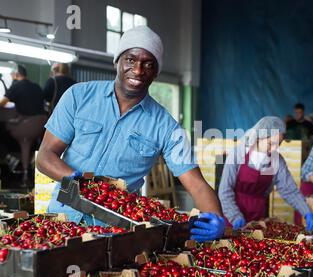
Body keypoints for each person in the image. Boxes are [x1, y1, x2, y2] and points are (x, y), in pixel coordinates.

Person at [36, 26, 225, 242]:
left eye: (148, 64)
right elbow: (45, 156)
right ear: (117, 61)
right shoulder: (79, 97)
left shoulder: (167, 127)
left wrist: (217, 219)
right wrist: (75, 181)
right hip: (61, 221)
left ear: (156, 72)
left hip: (114, 233)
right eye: (130, 60)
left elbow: (197, 184)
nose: (137, 70)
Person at [218, 116, 313, 233]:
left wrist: (306, 211)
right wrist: (234, 216)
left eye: (279, 144)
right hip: (232, 215)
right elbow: (225, 190)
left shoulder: (276, 160)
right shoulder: (238, 154)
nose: (274, 149)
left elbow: (289, 190)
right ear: (259, 137)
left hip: (258, 217)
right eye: (271, 143)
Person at [0, 65, 48, 185]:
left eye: (12, 75)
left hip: (26, 126)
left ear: (16, 74)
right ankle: (24, 166)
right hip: (41, 125)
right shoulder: (36, 86)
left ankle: (9, 157)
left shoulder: (16, 86)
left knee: (3, 128)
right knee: (26, 143)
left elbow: (3, 103)